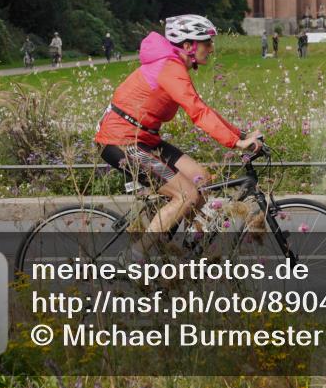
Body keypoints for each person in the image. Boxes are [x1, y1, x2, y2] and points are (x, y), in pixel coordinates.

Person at [95, 14, 263, 263]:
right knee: (186, 195)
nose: (211, 48)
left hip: (145, 140)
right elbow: (198, 112)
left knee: (201, 178)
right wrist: (236, 143)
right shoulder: (170, 68)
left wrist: (241, 135)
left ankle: (176, 250)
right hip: (121, 141)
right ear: (188, 46)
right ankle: (133, 258)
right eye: (206, 43)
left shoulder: (173, 65)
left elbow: (202, 107)